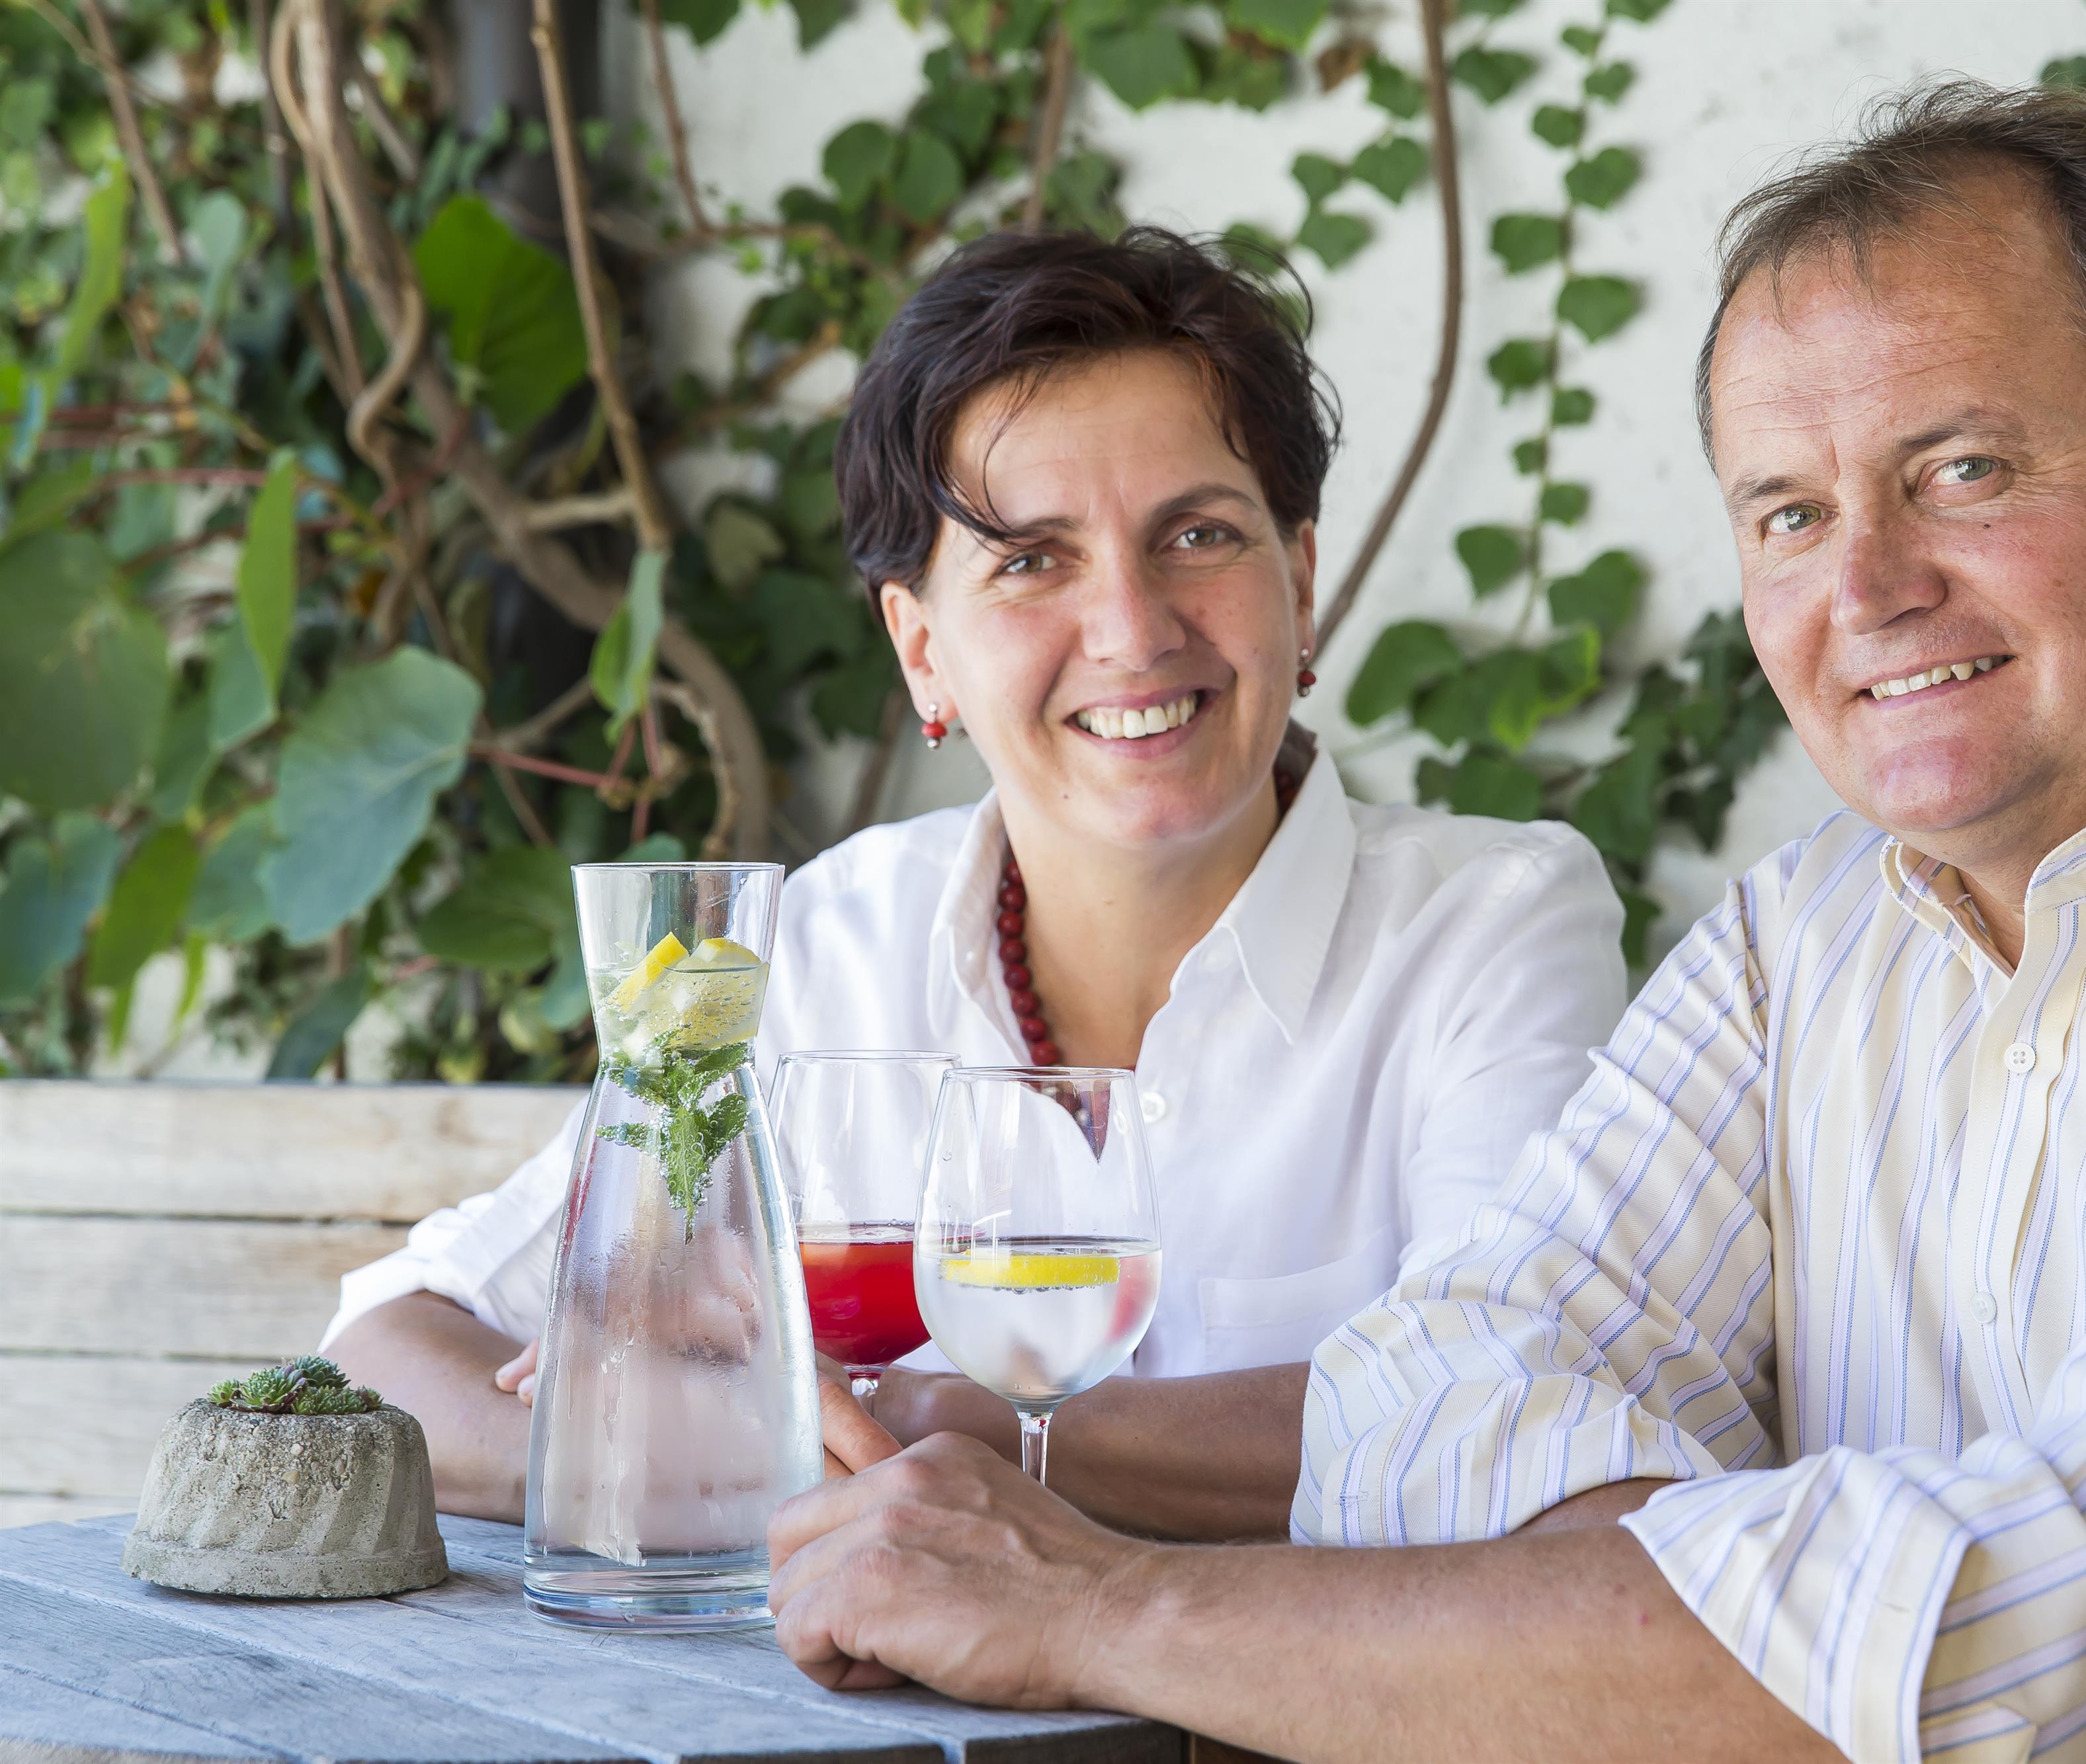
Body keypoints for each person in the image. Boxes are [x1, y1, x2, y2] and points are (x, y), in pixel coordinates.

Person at [769, 80, 2086, 1762]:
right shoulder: (1798, 943)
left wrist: (1087, 1606)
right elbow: (1430, 1403)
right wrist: (1720, 1619)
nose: (1870, 586)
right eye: (1786, 510)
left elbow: (2008, 1639)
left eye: (1963, 470)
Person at [323, 226, 1628, 1539]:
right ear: (921, 649)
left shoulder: (1490, 926)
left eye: (1196, 532)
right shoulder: (818, 951)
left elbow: (1494, 1399)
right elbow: (393, 1341)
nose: (1131, 627)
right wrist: (675, 1431)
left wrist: (921, 1420)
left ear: (1298, 580)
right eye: (1029, 558)